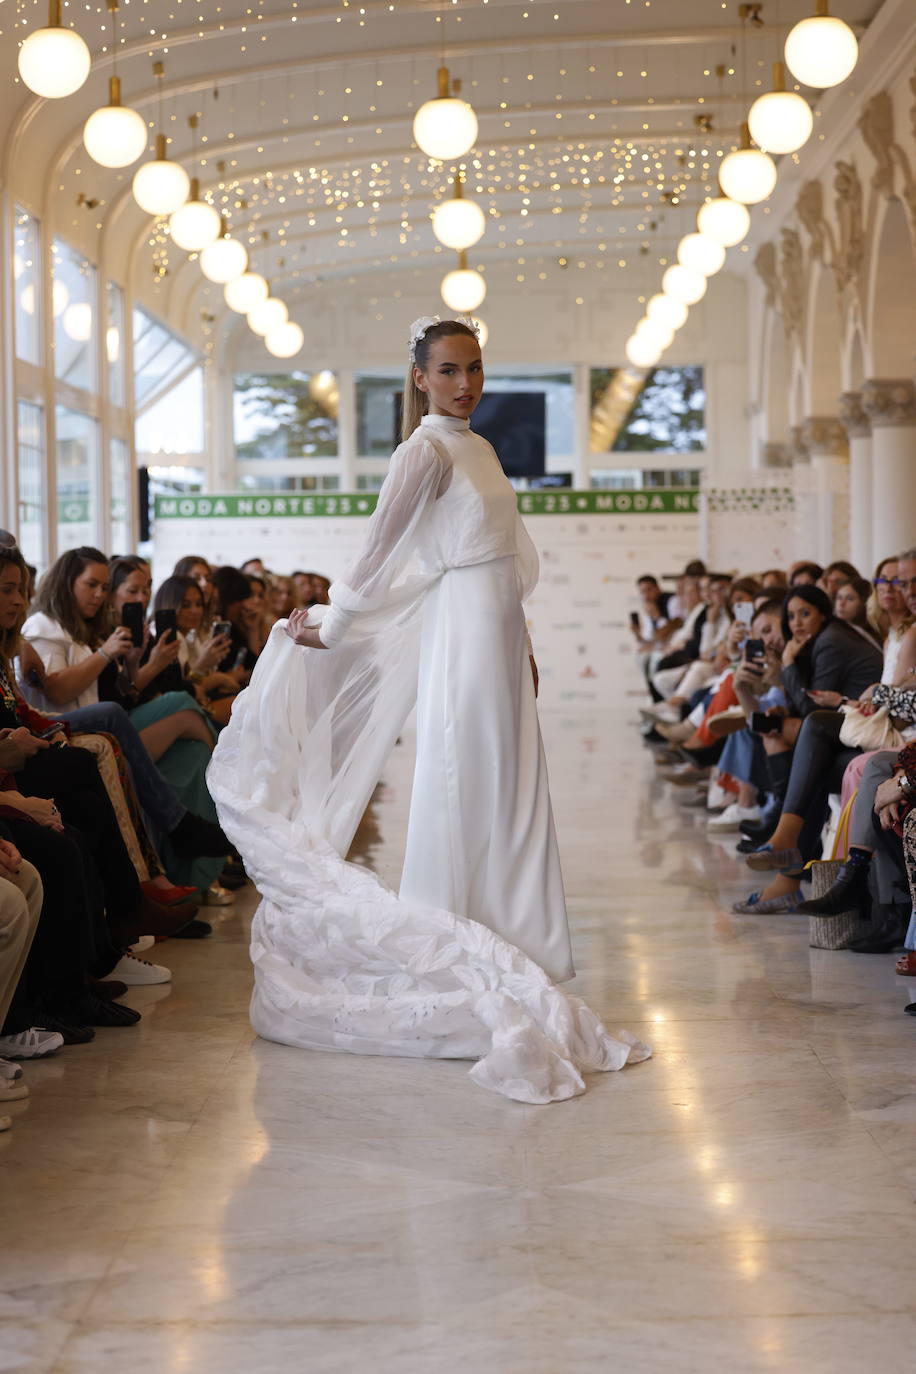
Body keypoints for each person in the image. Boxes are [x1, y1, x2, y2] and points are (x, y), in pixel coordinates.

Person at [208, 315, 649, 1103]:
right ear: (418, 378)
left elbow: (504, 558)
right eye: (448, 371)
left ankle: (521, 947)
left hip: (497, 630)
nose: (466, 384)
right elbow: (381, 547)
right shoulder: (424, 450)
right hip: (462, 635)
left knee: (513, 787)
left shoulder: (479, 447)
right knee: (469, 778)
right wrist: (336, 623)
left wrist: (526, 640)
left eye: (474, 369)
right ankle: (458, 941)